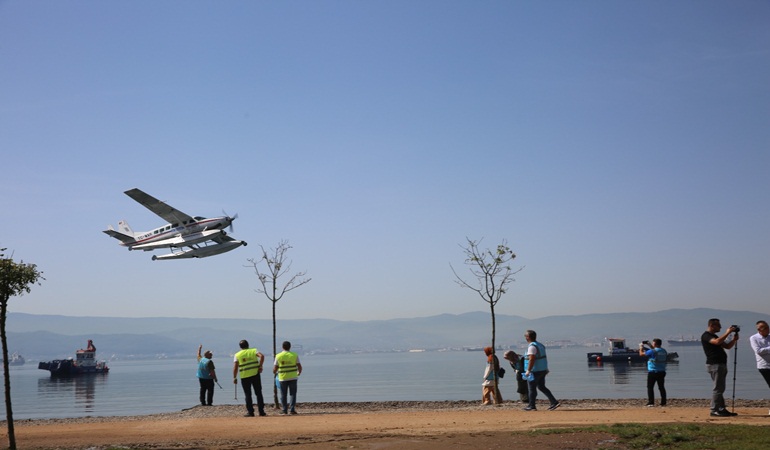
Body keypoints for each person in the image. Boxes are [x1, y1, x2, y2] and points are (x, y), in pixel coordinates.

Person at [701, 318, 739, 417]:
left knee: (720, 388)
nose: (721, 327)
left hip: (720, 364)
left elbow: (727, 346)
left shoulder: (715, 336)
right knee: (718, 388)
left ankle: (721, 408)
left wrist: (734, 340)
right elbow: (717, 342)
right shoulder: (706, 335)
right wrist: (727, 332)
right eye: (718, 325)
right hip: (715, 364)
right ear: (712, 326)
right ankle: (714, 410)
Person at [523, 330, 560, 411]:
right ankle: (554, 402)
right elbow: (544, 357)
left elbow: (531, 359)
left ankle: (531, 406)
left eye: (525, 337)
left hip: (534, 371)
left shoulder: (532, 347)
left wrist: (528, 370)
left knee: (531, 388)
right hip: (542, 369)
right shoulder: (540, 345)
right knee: (541, 387)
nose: (525, 338)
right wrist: (546, 368)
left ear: (528, 337)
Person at [233, 339, 266, 417]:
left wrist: (234, 377)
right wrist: (260, 366)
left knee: (248, 394)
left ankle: (250, 412)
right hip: (255, 374)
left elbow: (235, 367)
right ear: (248, 345)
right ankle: (261, 412)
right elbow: (262, 356)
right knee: (258, 393)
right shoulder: (253, 350)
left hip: (244, 376)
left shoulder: (237, 354)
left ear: (240, 347)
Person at [273, 341, 303, 415]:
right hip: (293, 377)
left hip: (283, 377)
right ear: (290, 347)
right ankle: (292, 410)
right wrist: (299, 373)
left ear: (282, 347)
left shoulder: (278, 356)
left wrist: (275, 373)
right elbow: (299, 366)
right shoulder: (294, 355)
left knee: (283, 394)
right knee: (293, 394)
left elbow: (275, 368)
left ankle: (284, 410)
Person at [638, 338, 667, 407]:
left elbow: (641, 354)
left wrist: (641, 347)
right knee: (661, 387)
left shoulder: (652, 351)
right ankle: (663, 402)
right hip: (662, 371)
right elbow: (655, 351)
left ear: (655, 344)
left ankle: (651, 402)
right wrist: (649, 345)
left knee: (650, 387)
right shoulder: (664, 351)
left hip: (653, 371)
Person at [750, 320, 770, 389]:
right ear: (759, 329)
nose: (768, 329)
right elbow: (758, 351)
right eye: (765, 328)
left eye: (768, 327)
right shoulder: (754, 338)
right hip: (764, 366)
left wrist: (766, 349)